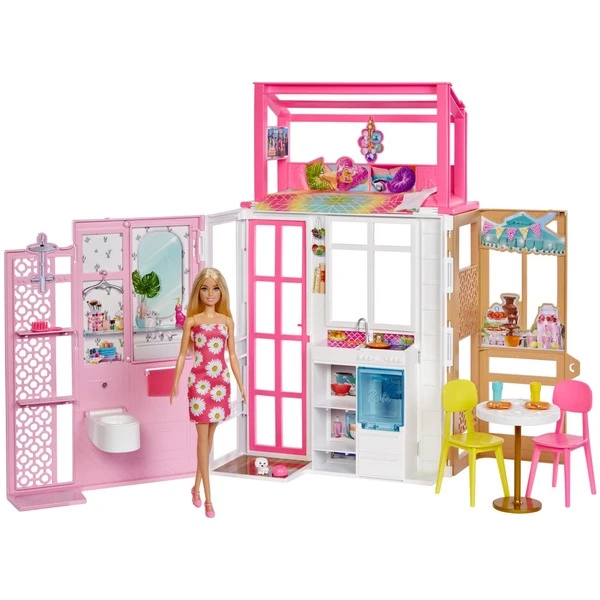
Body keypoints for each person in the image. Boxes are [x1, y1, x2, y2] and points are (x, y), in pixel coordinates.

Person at [169, 267, 246, 518]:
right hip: (199, 384)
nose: (210, 294)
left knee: (210, 438)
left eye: (215, 289)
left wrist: (241, 385)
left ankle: (195, 488)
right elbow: (182, 355)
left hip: (220, 383)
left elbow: (232, 356)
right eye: (205, 289)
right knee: (203, 439)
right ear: (198, 292)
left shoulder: (227, 321)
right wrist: (175, 382)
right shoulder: (192, 322)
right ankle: (209, 499)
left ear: (221, 292)